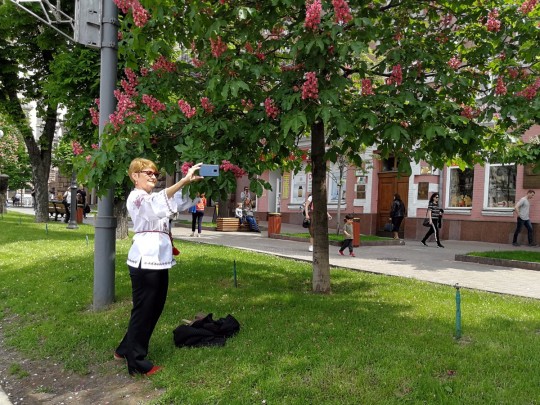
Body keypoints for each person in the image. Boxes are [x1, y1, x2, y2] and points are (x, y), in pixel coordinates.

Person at [114, 158, 202, 376]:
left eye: (155, 174)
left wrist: (195, 184)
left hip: (159, 259)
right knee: (144, 309)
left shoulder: (153, 197)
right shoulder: (136, 197)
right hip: (145, 259)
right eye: (149, 173)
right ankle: (136, 362)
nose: (154, 176)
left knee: (153, 307)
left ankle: (124, 349)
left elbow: (178, 201)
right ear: (135, 176)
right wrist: (182, 181)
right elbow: (155, 205)